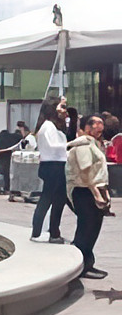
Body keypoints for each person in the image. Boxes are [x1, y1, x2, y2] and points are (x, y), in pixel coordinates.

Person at [66, 113, 110, 278]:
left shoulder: (94, 144)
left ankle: (87, 263)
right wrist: (96, 194)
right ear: (85, 127)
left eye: (101, 123)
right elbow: (85, 172)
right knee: (86, 229)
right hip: (84, 191)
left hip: (93, 190)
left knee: (93, 228)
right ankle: (79, 265)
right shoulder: (83, 145)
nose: (99, 127)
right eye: (95, 124)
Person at [31, 100, 71, 244]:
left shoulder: (54, 126)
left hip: (57, 165)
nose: (64, 110)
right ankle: (39, 231)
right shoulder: (48, 126)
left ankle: (54, 232)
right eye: (62, 106)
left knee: (58, 200)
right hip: (52, 165)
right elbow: (54, 145)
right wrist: (70, 145)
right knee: (47, 199)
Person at [0, 122, 24, 197]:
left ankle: (1, 189)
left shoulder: (1, 137)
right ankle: (8, 188)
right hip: (8, 158)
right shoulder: (17, 138)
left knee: (1, 173)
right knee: (10, 173)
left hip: (0, 157)